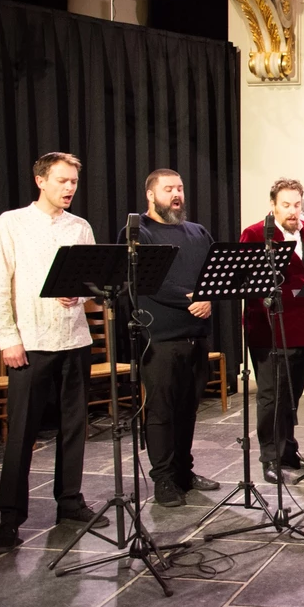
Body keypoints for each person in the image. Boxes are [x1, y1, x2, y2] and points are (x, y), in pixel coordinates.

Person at [0, 152, 110, 554]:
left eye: (73, 182)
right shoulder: (13, 222)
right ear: (40, 180)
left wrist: (82, 292)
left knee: (75, 426)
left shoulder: (80, 226)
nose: (69, 188)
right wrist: (9, 338)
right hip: (31, 342)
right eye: (62, 181)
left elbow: (92, 283)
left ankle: (69, 501)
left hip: (74, 340)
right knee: (22, 432)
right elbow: (0, 286)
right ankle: (10, 517)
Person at [119, 169, 220, 507]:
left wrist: (209, 297)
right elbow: (144, 280)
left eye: (179, 188)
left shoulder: (198, 231)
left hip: (196, 336)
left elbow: (213, 272)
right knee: (161, 411)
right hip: (159, 339)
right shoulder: (138, 232)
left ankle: (183, 472)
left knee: (188, 410)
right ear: (151, 195)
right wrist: (191, 298)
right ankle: (162, 479)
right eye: (168, 189)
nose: (177, 194)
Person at [240, 178, 304, 484]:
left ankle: (289, 450)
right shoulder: (255, 234)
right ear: (273, 205)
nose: (293, 211)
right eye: (286, 205)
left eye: (297, 204)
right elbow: (244, 281)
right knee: (271, 396)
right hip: (271, 327)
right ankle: (270, 457)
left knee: (292, 394)